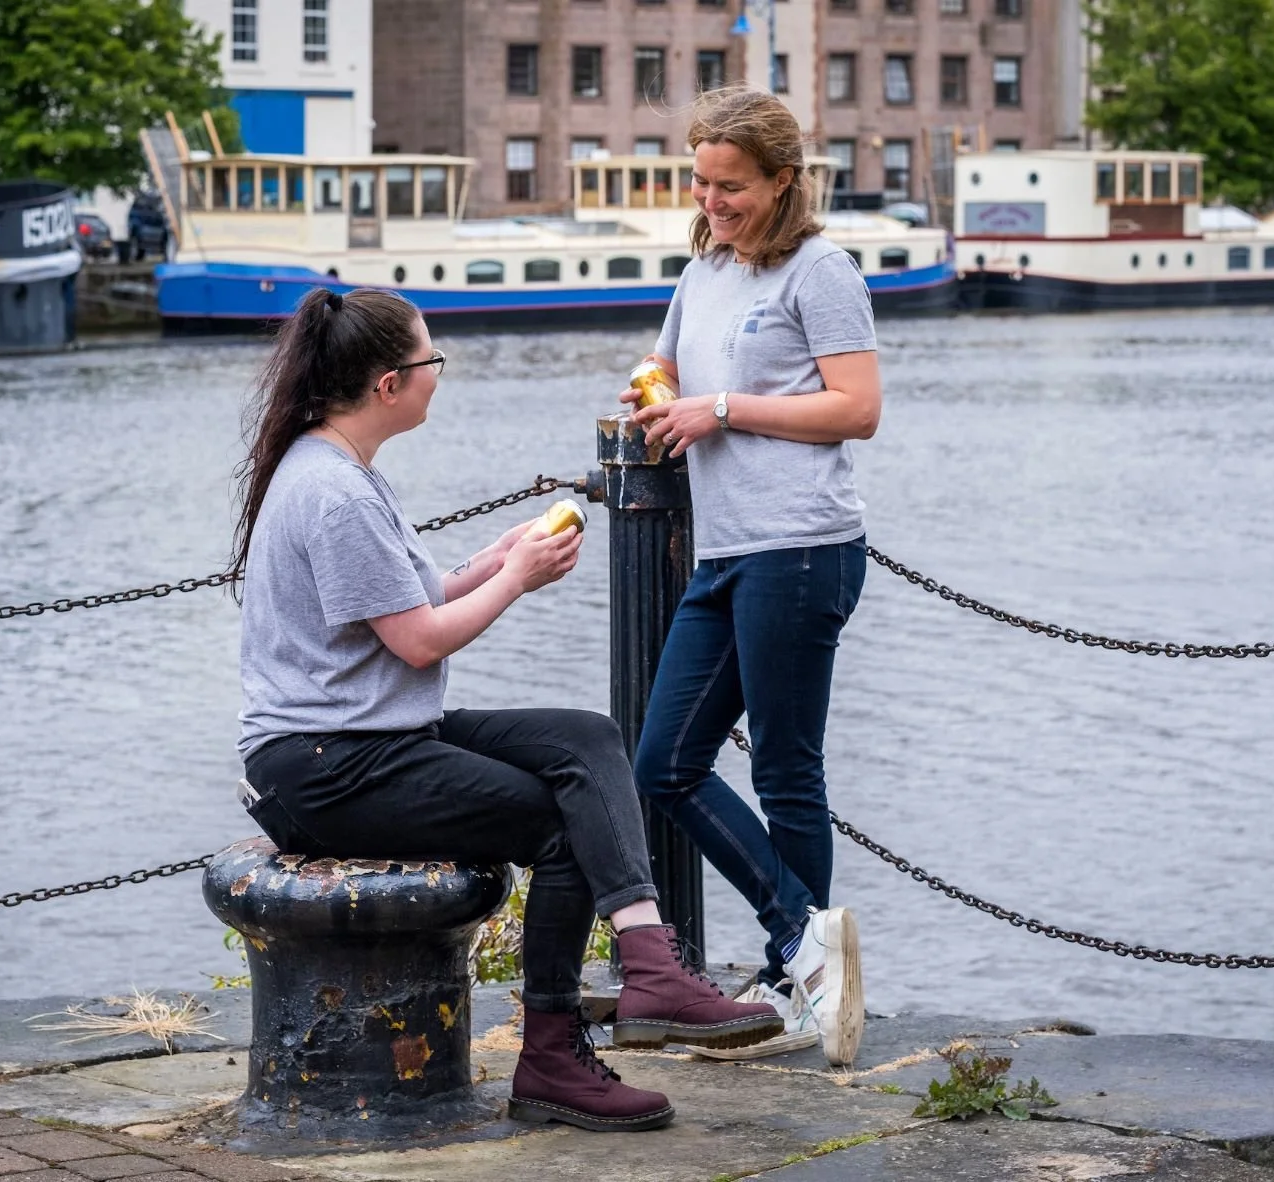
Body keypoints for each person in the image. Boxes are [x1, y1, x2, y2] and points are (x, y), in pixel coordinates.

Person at [229, 287, 783, 1133]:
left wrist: (495, 561)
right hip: (326, 767)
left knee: (584, 739)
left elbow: (398, 610)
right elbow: (417, 643)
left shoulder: (336, 466)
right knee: (559, 826)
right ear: (387, 384)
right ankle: (554, 1058)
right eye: (429, 363)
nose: (436, 378)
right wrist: (516, 584)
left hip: (371, 737)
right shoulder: (334, 491)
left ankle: (646, 963)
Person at [621, 86, 881, 1068]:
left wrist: (720, 408)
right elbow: (669, 366)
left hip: (803, 544)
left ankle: (794, 974)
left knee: (784, 768)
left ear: (782, 180)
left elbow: (857, 409)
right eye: (701, 181)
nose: (712, 199)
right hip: (727, 551)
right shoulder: (704, 269)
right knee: (665, 761)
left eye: (731, 186)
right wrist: (656, 393)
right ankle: (807, 942)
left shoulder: (823, 271)